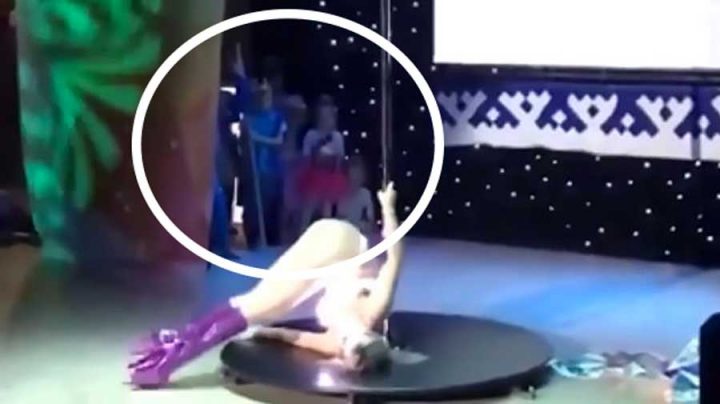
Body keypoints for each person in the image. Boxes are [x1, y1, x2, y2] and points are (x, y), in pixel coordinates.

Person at [128, 182, 402, 388]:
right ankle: (168, 357)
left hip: (329, 246)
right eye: (361, 344)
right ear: (373, 338)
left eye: (350, 354)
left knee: (254, 305)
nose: (349, 345)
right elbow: (395, 255)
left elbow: (292, 337)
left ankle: (170, 349)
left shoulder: (334, 345)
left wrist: (261, 333)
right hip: (344, 246)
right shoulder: (375, 309)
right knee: (256, 306)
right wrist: (388, 207)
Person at [298, 95, 347, 231]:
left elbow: (340, 158)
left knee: (327, 208)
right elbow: (306, 157)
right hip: (313, 176)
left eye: (328, 116)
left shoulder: (337, 136)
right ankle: (302, 233)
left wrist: (333, 168)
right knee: (308, 207)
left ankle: (327, 234)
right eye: (322, 116)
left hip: (330, 176)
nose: (326, 120)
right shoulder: (311, 135)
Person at [324, 156, 375, 235]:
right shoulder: (334, 195)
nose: (356, 178)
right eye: (354, 174)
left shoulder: (365, 194)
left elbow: (369, 225)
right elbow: (326, 222)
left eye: (359, 174)